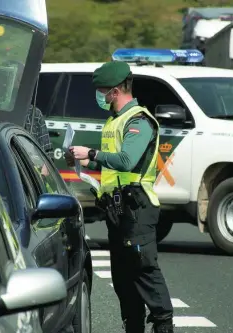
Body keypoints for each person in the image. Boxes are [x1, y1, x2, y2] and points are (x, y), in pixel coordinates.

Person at [67, 61, 174, 333]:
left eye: (102, 91)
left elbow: (127, 160)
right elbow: (112, 165)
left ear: (115, 91)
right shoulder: (115, 121)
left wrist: (91, 154)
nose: (99, 96)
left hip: (137, 208)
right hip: (118, 211)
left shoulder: (138, 119)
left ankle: (164, 327)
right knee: (124, 282)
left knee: (145, 274)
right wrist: (87, 161)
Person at [0, 61, 53, 175]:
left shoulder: (33, 113)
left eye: (21, 80)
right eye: (13, 80)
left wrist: (44, 169)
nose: (17, 84)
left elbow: (47, 152)